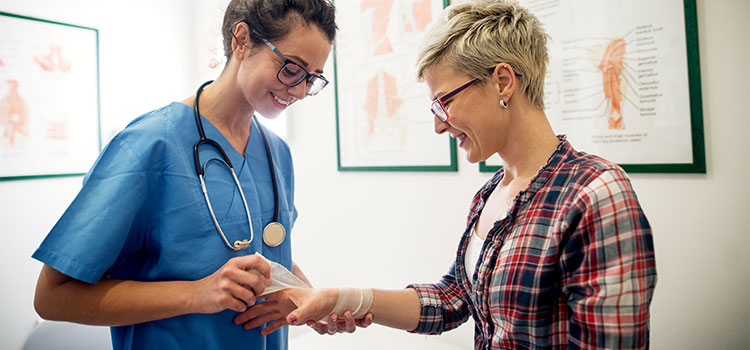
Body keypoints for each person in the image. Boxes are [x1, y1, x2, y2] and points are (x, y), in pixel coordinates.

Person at [237, 0, 658, 348]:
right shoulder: (490, 194)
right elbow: (453, 300)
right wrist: (342, 298)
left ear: (503, 81)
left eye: (444, 102)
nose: (439, 124)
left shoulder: (595, 194)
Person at [31, 0, 340, 349]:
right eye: (291, 69)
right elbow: (52, 296)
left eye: (312, 79)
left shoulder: (276, 153)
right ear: (241, 40)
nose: (299, 91)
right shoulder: (149, 145)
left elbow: (258, 248)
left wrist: (309, 298)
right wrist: (197, 294)